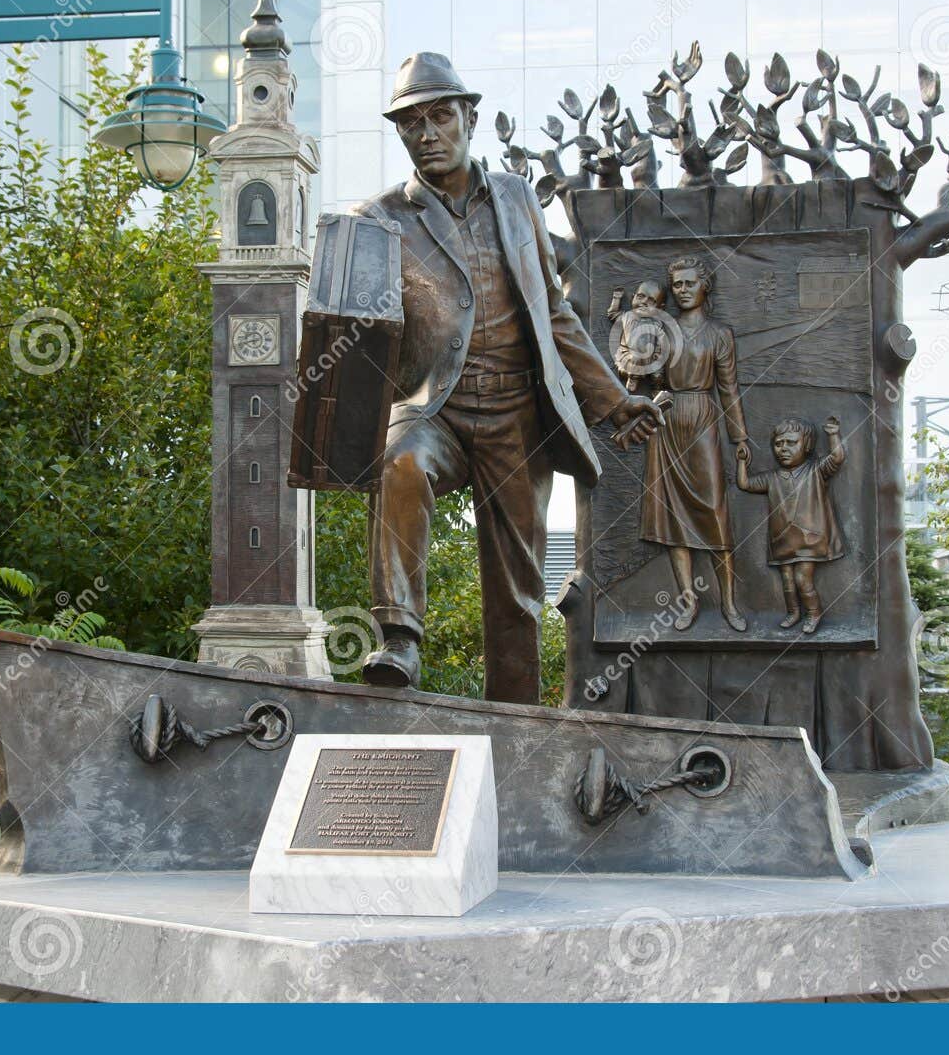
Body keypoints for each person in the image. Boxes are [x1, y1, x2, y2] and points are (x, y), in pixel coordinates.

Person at [356, 53, 662, 703]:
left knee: (517, 593)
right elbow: (352, 327)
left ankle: (514, 725)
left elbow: (553, 310)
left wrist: (609, 398)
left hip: (516, 415)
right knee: (400, 464)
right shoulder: (379, 219)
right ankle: (400, 637)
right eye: (411, 123)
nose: (428, 133)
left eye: (441, 116)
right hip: (431, 405)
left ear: (470, 117)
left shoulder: (518, 198)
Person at [634, 256, 750, 632]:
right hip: (667, 420)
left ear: (705, 286)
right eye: (678, 285)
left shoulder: (720, 334)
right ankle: (688, 600)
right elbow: (647, 379)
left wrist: (740, 436)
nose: (683, 290)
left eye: (690, 283)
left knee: (715, 513)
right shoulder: (662, 331)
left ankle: (730, 603)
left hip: (702, 417)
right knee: (672, 519)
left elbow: (729, 389)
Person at [737, 415, 846, 634]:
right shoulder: (772, 477)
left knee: (802, 579)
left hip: (810, 539)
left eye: (791, 442)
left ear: (806, 445)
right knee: (787, 581)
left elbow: (836, 458)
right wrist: (741, 462)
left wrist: (833, 435)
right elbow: (745, 484)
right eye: (778, 444)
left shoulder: (815, 470)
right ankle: (793, 612)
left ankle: (813, 613)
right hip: (782, 541)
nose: (783, 449)